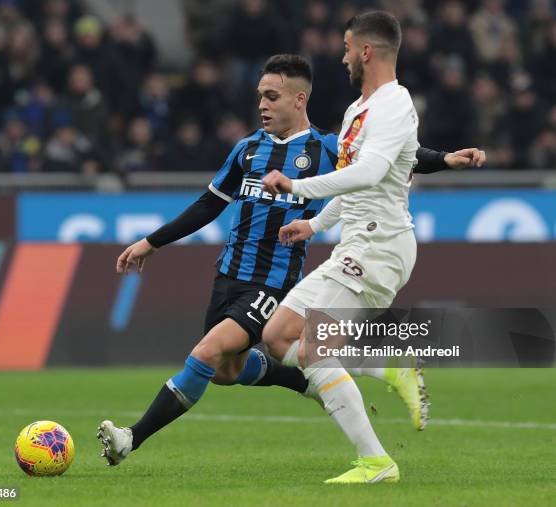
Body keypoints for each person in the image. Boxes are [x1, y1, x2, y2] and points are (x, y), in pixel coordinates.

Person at [97, 52, 485, 470]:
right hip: (229, 275)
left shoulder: (326, 147)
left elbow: (394, 159)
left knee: (206, 353)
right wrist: (152, 242)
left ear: (299, 100)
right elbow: (208, 204)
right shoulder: (247, 150)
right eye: (260, 96)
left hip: (273, 281)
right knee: (228, 370)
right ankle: (317, 379)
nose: (262, 105)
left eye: (271, 96)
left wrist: (444, 159)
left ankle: (130, 438)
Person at [260, 12, 476, 484]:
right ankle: (388, 364)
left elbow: (372, 173)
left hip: (381, 244)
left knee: (315, 349)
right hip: (356, 239)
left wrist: (296, 185)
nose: (341, 57)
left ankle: (377, 462)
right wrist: (315, 224)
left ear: (366, 51)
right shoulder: (358, 109)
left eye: (345, 48)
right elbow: (356, 185)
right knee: (278, 338)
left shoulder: (394, 104)